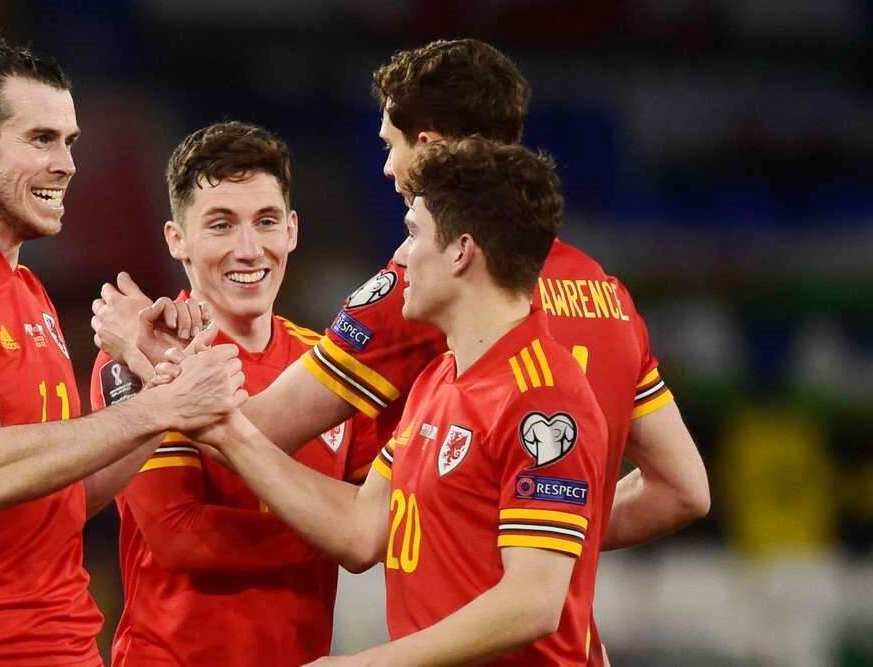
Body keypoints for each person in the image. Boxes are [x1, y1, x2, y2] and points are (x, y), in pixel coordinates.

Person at [94, 38, 708, 663]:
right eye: (222, 224)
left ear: (434, 151)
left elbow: (259, 430)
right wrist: (522, 532)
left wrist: (150, 364)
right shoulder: (600, 298)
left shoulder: (442, 323)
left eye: (391, 144)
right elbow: (683, 489)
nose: (387, 169)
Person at [0, 20, 243, 666]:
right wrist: (157, 408)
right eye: (42, 139)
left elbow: (64, 498)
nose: (68, 163)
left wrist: (163, 381)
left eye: (70, 141)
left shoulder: (28, 290)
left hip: (65, 647)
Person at [178, 137, 608, 664]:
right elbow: (361, 528)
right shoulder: (437, 381)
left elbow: (532, 605)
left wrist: (365, 664)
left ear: (461, 252)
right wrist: (224, 428)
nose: (402, 255)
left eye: (413, 233)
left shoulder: (544, 398)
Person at [88, 122, 380, 666]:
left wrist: (364, 529)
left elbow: (391, 512)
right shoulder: (138, 355)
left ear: (292, 229)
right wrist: (344, 530)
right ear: (177, 239)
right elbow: (178, 535)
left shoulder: (332, 370)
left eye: (266, 221)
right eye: (221, 225)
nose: (249, 250)